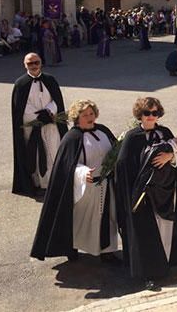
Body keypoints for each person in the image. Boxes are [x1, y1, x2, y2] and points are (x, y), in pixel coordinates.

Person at [115, 97, 177, 290]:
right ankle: (149, 272)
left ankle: (168, 260)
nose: (151, 117)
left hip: (168, 192)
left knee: (166, 229)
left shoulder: (164, 132)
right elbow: (123, 167)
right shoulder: (132, 137)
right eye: (147, 113)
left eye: (154, 113)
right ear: (140, 115)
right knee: (147, 235)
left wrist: (171, 155)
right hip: (145, 197)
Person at [31, 100, 119, 262]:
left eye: (91, 113)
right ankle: (71, 247)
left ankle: (107, 252)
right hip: (84, 188)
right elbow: (66, 165)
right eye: (85, 115)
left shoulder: (103, 131)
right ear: (77, 118)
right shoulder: (72, 138)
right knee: (80, 220)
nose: (89, 117)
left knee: (106, 219)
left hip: (106, 184)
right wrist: (82, 172)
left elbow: (116, 151)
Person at [11, 53, 68, 196]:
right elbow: (22, 108)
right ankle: (40, 184)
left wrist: (49, 111)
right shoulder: (21, 84)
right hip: (32, 127)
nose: (34, 65)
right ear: (25, 65)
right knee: (36, 155)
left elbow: (57, 101)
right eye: (30, 63)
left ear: (41, 63)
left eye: (36, 62)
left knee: (53, 151)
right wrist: (39, 117)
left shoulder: (50, 80)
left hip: (51, 125)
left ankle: (55, 182)